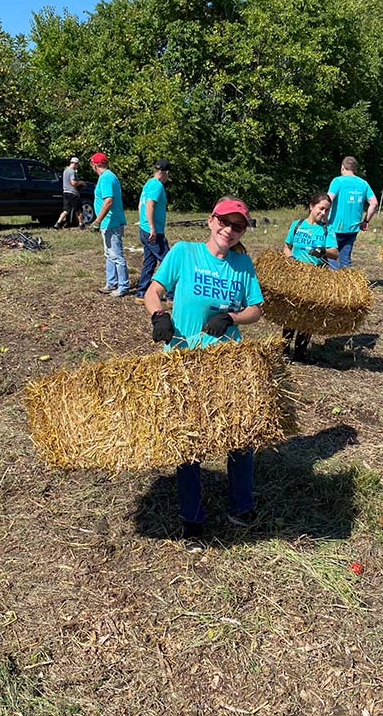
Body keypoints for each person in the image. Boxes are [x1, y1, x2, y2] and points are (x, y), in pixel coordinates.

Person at [144, 197, 264, 552]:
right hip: (184, 361)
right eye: (224, 222)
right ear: (211, 221)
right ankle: (192, 520)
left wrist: (231, 318)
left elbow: (255, 309)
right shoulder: (183, 252)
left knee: (240, 437)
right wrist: (158, 316)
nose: (229, 230)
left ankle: (241, 508)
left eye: (237, 226)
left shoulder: (243, 264)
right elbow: (154, 291)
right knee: (189, 441)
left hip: (227, 363)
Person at [282, 192, 339, 361]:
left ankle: (300, 352)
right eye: (321, 209)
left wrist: (323, 251)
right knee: (291, 311)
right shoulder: (297, 225)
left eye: (327, 211)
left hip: (316, 277)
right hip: (296, 274)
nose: (323, 213)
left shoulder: (327, 229)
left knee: (308, 313)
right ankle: (284, 349)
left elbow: (335, 253)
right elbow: (287, 247)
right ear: (312, 206)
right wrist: (291, 258)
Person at [89, 152, 130, 298]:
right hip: (109, 222)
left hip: (111, 222)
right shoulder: (108, 176)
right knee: (109, 254)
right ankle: (111, 282)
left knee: (116, 255)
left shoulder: (106, 178)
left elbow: (108, 201)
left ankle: (123, 285)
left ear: (94, 165)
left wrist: (97, 220)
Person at [327, 156, 378, 269]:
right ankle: (346, 282)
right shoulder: (363, 183)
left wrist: (323, 217)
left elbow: (328, 200)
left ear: (342, 167)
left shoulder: (337, 181)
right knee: (345, 257)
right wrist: (366, 220)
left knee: (331, 255)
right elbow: (374, 203)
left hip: (335, 225)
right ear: (354, 168)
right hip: (353, 226)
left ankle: (333, 280)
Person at [135, 158, 172, 304]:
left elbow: (140, 205)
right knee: (168, 261)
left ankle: (141, 293)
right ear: (166, 173)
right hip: (153, 232)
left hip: (144, 229)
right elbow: (149, 205)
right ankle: (172, 296)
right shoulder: (157, 186)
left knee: (149, 262)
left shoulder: (148, 183)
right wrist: (152, 227)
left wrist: (142, 222)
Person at [54, 157, 85, 230]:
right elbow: (73, 183)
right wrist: (81, 182)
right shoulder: (72, 171)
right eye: (77, 165)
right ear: (75, 163)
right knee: (79, 209)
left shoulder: (65, 171)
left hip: (65, 192)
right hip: (73, 193)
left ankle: (58, 223)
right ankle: (81, 225)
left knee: (66, 210)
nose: (77, 166)